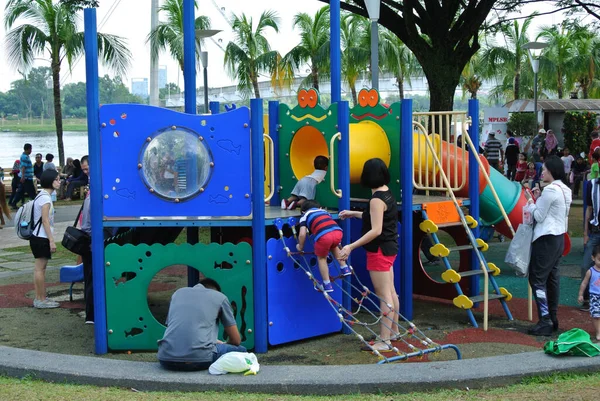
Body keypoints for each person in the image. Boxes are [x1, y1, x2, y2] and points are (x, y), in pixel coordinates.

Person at [339, 158, 399, 351]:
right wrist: (354, 213)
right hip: (390, 247)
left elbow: (376, 229)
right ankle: (394, 332)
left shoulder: (375, 200)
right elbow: (377, 216)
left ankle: (384, 340)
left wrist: (350, 246)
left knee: (384, 296)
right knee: (390, 291)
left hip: (379, 250)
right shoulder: (387, 193)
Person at [157, 278, 246, 371]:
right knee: (241, 349)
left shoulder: (177, 293)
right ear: (215, 291)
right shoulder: (220, 297)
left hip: (165, 359)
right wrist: (224, 344)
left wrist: (214, 341)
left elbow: (180, 330)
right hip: (199, 360)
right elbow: (236, 340)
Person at [526, 155, 572, 335]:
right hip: (559, 237)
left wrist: (530, 202)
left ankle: (544, 319)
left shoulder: (550, 190)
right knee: (552, 279)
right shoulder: (564, 189)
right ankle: (552, 318)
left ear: (552, 171)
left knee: (536, 279)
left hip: (546, 239)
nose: (542, 172)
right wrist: (539, 200)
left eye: (544, 169)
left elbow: (538, 216)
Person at [296, 200, 351, 292]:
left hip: (324, 236)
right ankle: (344, 268)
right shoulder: (325, 212)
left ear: (303, 211)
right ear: (320, 208)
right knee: (334, 246)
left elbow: (302, 234)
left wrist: (300, 246)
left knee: (322, 258)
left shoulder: (305, 216)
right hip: (338, 232)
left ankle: (327, 284)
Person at [30, 169, 61, 309]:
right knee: (40, 269)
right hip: (41, 237)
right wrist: (51, 240)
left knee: (40, 269)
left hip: (38, 236)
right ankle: (40, 299)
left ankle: (40, 297)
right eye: (57, 179)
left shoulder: (41, 196)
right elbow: (45, 221)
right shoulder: (45, 198)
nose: (59, 182)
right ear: (50, 181)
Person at [79, 156, 94, 324]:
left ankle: (91, 313)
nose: (85, 172)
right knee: (90, 276)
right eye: (83, 169)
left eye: (86, 168)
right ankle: (91, 314)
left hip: (89, 236)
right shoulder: (92, 191)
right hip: (90, 238)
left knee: (90, 276)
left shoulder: (93, 188)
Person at [578, 244, 600, 342]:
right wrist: (581, 294)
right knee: (596, 315)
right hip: (594, 296)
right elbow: (584, 283)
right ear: (593, 258)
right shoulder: (590, 271)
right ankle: (598, 331)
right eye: (599, 259)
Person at [9, 143, 36, 210]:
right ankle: (36, 203)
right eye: (31, 149)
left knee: (20, 191)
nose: (31, 151)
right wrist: (23, 176)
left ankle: (13, 203)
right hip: (26, 178)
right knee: (32, 192)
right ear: (28, 149)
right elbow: (23, 167)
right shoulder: (24, 157)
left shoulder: (26, 156)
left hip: (27, 177)